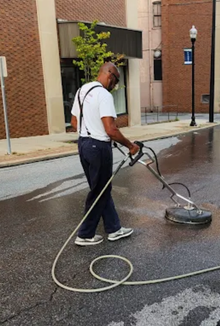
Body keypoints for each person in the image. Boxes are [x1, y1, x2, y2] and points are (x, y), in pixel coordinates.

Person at [70, 62, 140, 246]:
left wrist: (91, 132)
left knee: (102, 188)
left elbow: (74, 122)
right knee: (98, 191)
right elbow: (111, 130)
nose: (115, 86)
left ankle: (114, 228)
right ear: (110, 75)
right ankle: (85, 234)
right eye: (115, 81)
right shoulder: (104, 95)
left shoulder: (82, 91)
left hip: (83, 145)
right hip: (98, 148)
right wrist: (130, 145)